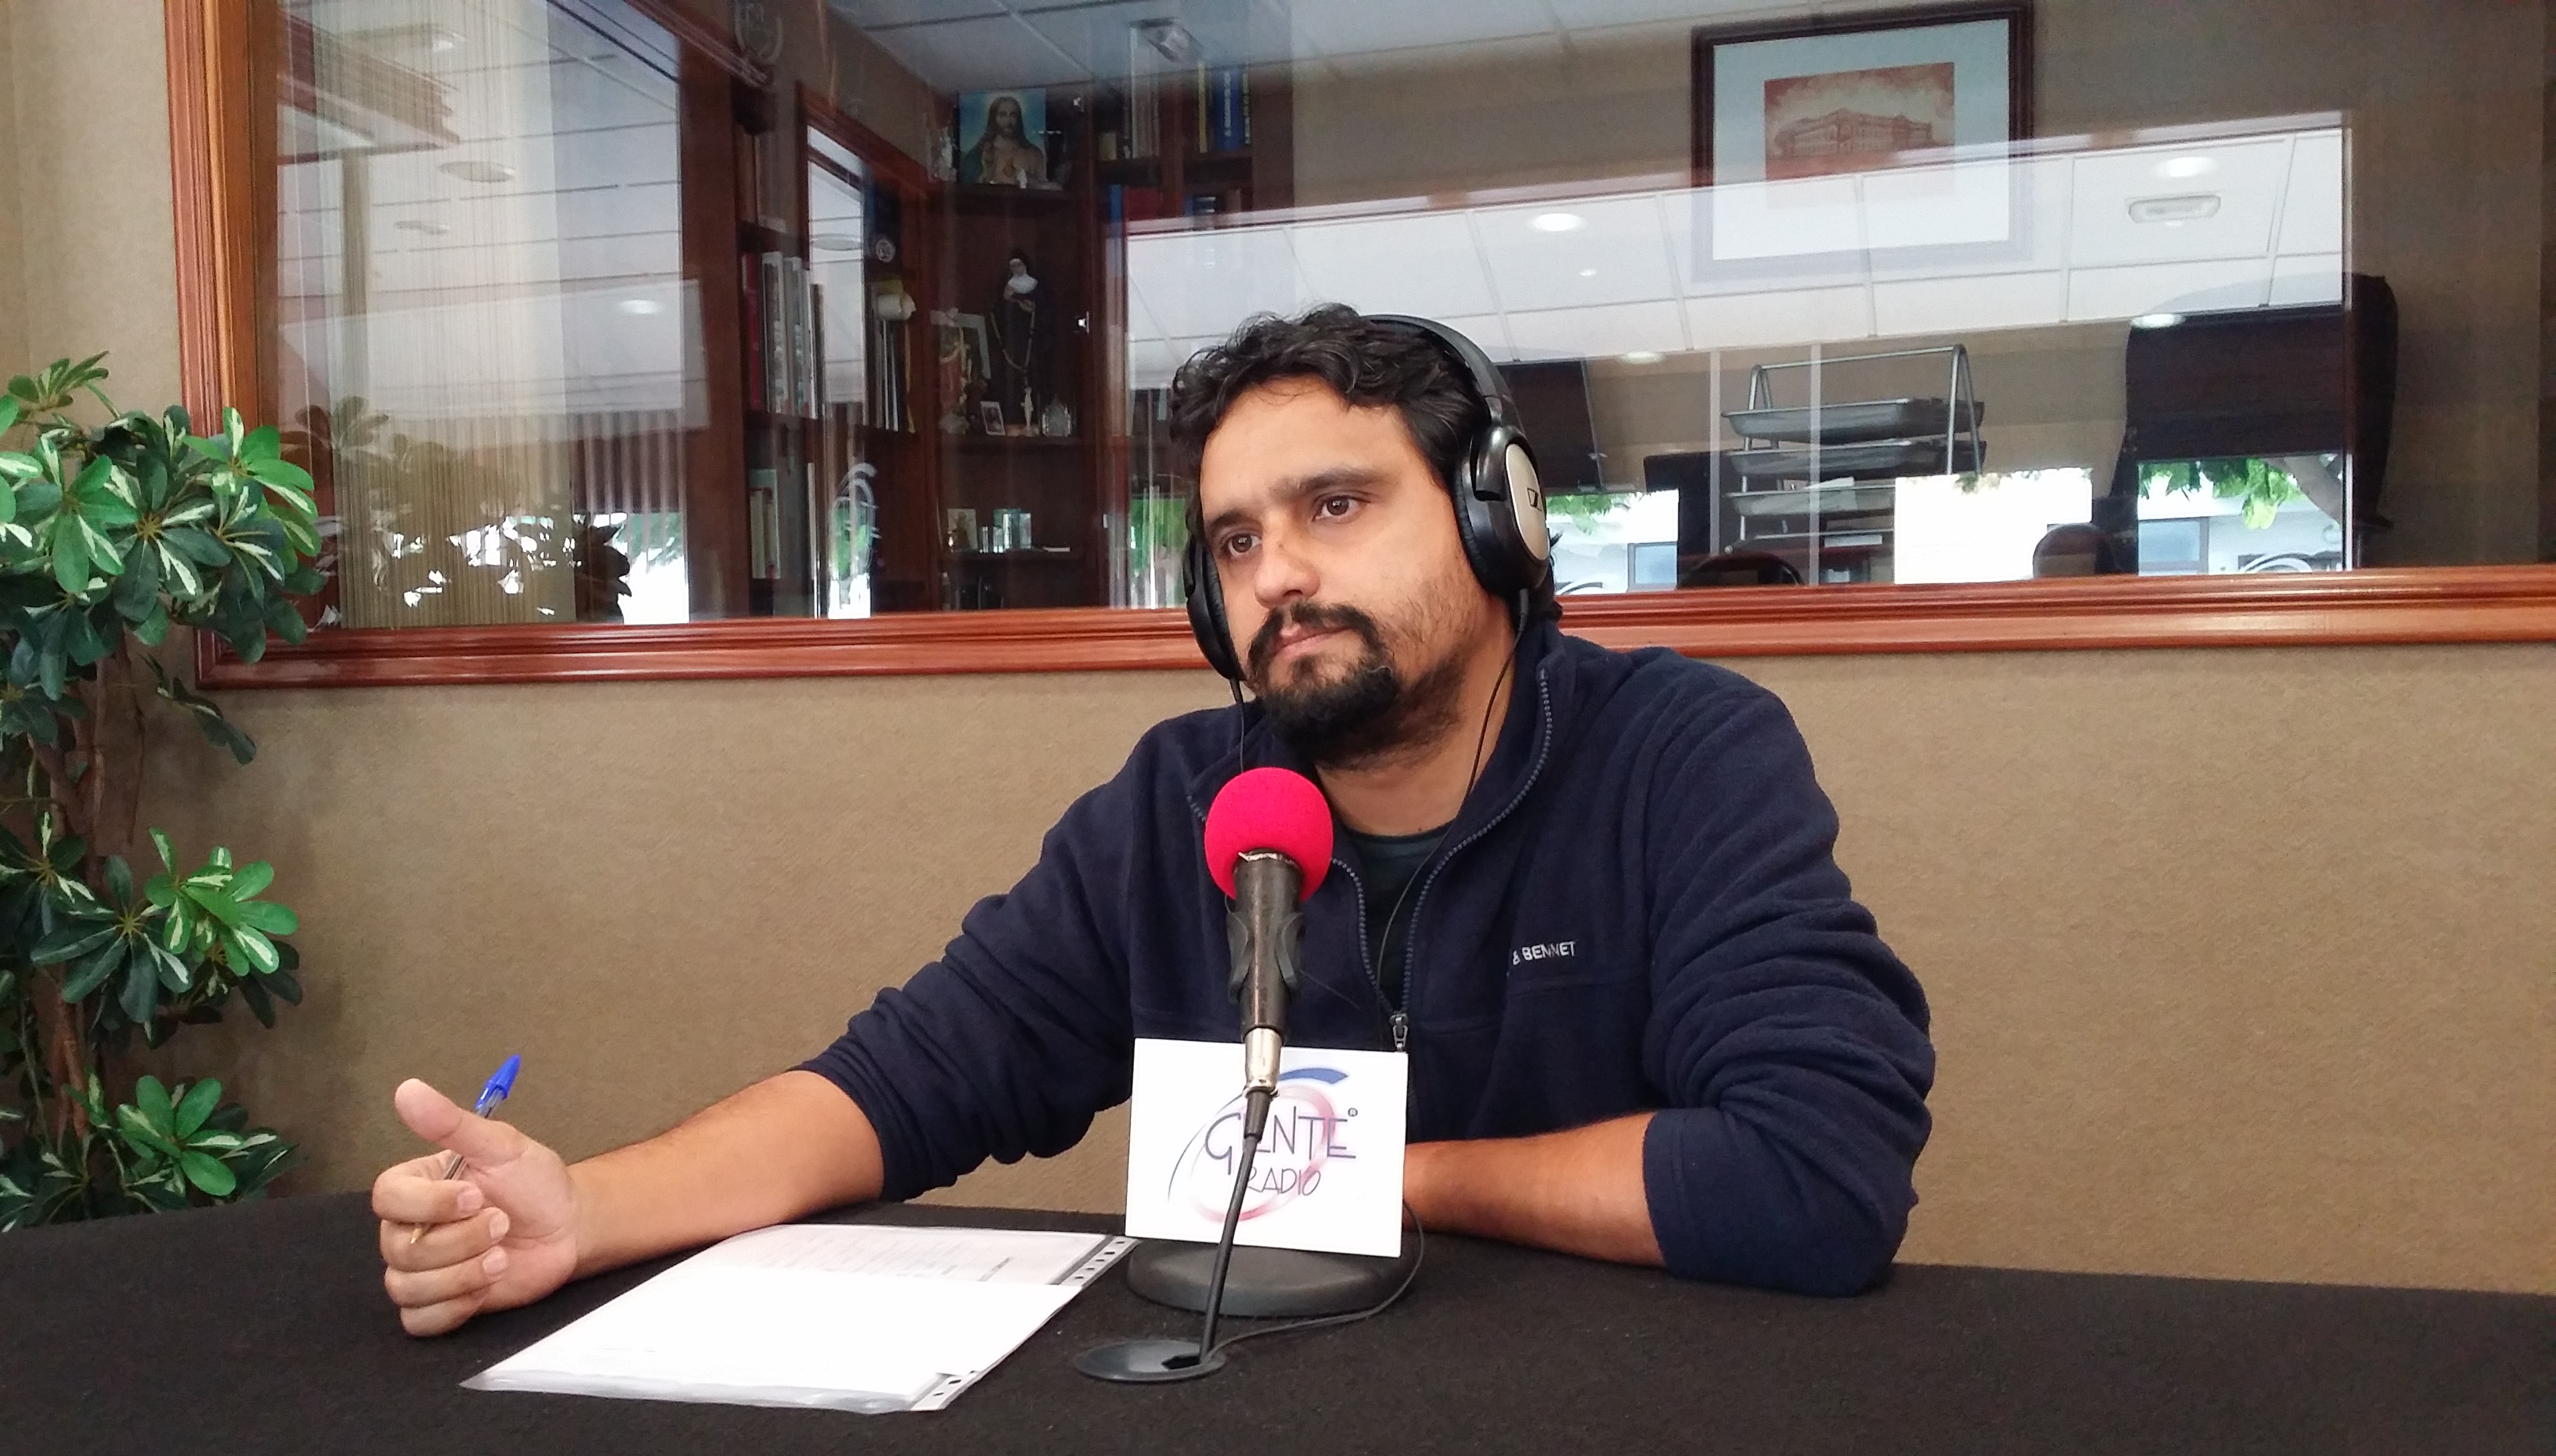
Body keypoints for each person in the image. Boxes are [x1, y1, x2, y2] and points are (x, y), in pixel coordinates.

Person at [372, 305, 1937, 1336]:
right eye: (1234, 541)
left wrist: (1376, 1177)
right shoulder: (1178, 802)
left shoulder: (1679, 754)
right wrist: (588, 1209)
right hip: (1258, 1422)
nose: (1277, 575)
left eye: (1336, 506)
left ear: (1495, 518)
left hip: (1610, 1434)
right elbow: (904, 1080)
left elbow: (1814, 1175)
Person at [960, 94, 1047, 187]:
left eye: (1013, 115)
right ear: (994, 119)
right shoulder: (978, 154)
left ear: (1018, 119)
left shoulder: (1033, 153)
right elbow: (969, 189)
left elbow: (1042, 188)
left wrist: (1029, 180)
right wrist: (987, 171)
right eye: (1003, 115)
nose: (1008, 120)